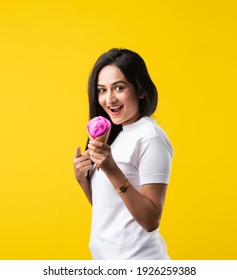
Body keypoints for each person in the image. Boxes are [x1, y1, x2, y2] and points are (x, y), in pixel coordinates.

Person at [73, 48, 173, 260]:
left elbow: (150, 220)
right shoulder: (115, 136)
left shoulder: (150, 137)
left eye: (119, 88)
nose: (109, 99)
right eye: (102, 90)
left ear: (141, 90)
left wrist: (111, 169)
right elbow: (113, 210)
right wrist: (83, 180)